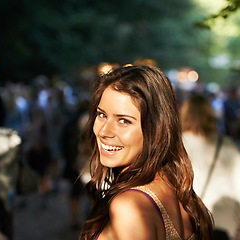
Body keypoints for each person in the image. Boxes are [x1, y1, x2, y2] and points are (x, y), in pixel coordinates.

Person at [79, 65, 213, 240]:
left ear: (155, 128)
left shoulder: (129, 206)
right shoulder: (176, 188)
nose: (104, 131)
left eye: (124, 121)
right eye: (101, 114)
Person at [180, 94, 240, 240]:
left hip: (184, 224)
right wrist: (231, 219)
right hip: (221, 225)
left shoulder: (176, 146)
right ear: (210, 115)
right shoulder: (227, 145)